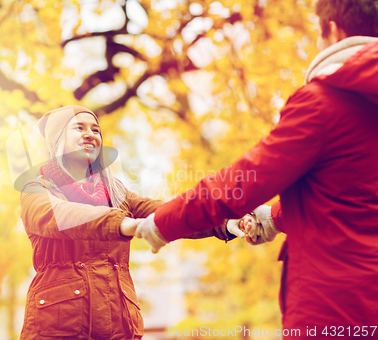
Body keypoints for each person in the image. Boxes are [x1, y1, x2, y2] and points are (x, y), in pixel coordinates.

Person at [135, 0, 378, 337]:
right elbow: (354, 194)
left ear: (331, 30)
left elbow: (243, 182)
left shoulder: (323, 103)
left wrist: (164, 222)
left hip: (335, 307)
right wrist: (274, 218)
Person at [18, 106, 242, 340]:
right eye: (79, 127)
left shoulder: (116, 194)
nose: (90, 134)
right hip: (59, 326)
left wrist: (223, 223)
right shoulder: (36, 188)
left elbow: (167, 212)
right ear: (57, 140)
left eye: (96, 130)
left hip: (119, 326)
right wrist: (123, 224)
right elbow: (59, 215)